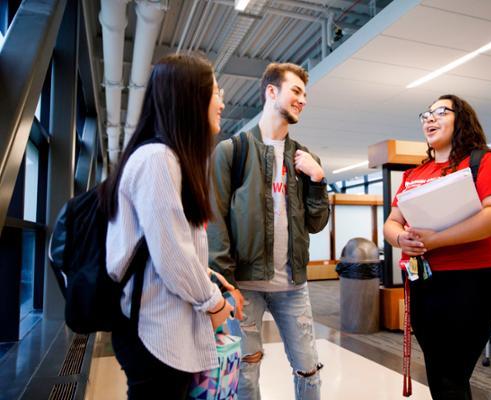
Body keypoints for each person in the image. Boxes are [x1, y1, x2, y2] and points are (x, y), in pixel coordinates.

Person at [101, 54, 233, 399]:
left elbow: (166, 245)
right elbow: (172, 255)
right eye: (216, 91)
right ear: (190, 97)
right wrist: (214, 303)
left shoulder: (164, 159)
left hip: (161, 329)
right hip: (155, 332)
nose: (222, 101)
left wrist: (210, 279)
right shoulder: (158, 160)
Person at [207, 62, 330, 400]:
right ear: (271, 92)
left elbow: (316, 224)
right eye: (296, 91)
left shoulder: (305, 158)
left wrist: (318, 180)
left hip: (293, 285)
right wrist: (223, 285)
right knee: (245, 370)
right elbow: (216, 222)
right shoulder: (232, 152)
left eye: (305, 94)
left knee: (308, 369)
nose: (303, 99)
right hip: (244, 285)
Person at [383, 94, 491, 399]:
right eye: (426, 115)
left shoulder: (483, 162)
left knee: (451, 374)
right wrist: (400, 238)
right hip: (423, 281)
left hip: (471, 280)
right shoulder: (413, 175)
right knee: (439, 372)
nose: (430, 118)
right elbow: (391, 222)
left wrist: (436, 240)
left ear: (462, 119)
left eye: (441, 111)